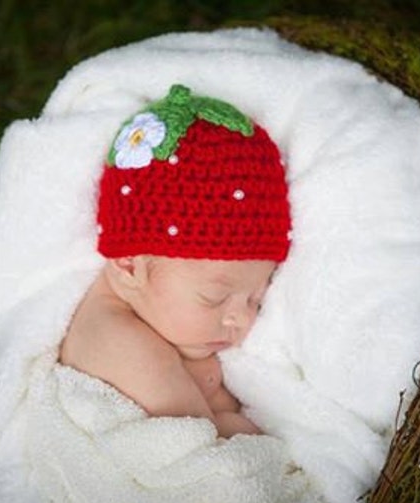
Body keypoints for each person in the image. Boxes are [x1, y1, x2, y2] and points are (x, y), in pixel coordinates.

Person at [59, 84, 292, 438]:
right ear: (128, 266)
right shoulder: (123, 345)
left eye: (256, 298)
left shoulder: (157, 314)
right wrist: (241, 429)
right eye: (213, 297)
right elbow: (199, 446)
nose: (242, 318)